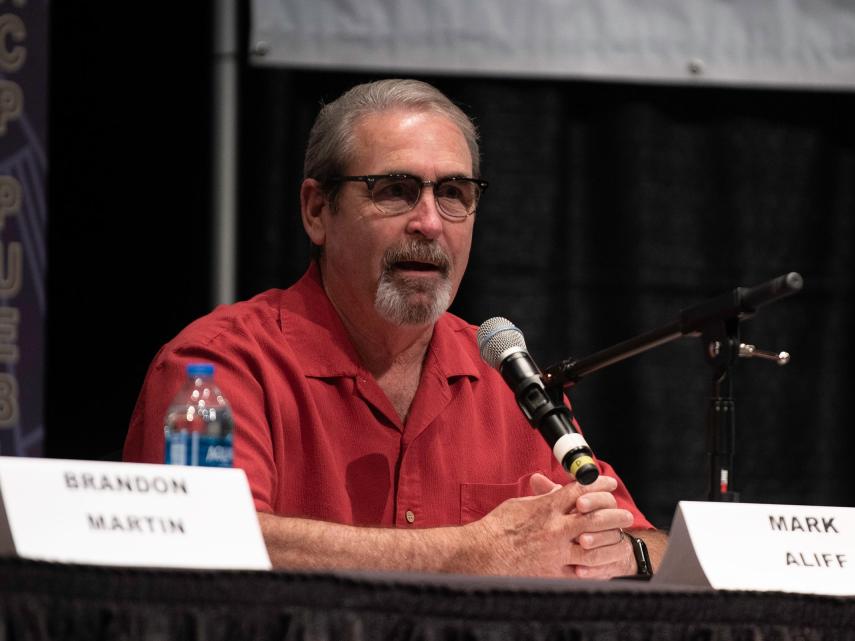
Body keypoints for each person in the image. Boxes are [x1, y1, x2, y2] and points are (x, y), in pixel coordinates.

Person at [124, 79, 667, 578]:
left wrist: (624, 552)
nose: (429, 222)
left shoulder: (504, 376)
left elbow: (656, 546)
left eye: (454, 193)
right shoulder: (219, 365)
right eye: (395, 190)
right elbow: (197, 536)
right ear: (317, 210)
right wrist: (477, 550)